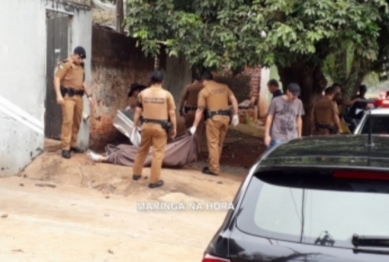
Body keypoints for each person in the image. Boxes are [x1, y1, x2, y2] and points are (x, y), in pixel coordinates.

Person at [131, 71, 177, 189]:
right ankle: (154, 180)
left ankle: (136, 173)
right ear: (162, 81)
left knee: (142, 150)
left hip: (146, 125)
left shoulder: (142, 93)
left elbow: (137, 111)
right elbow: (172, 113)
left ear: (151, 81)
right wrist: (174, 128)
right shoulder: (167, 95)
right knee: (158, 154)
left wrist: (135, 125)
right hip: (160, 127)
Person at [189, 71, 239, 176]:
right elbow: (233, 100)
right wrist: (235, 115)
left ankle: (214, 168)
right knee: (219, 143)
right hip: (226, 118)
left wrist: (194, 126)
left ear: (204, 81)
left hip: (214, 119)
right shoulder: (224, 87)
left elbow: (200, 110)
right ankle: (214, 164)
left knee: (212, 144)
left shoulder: (204, 91)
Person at [54, 46, 94, 159]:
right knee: (68, 121)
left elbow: (83, 82)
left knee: (77, 121)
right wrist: (58, 95)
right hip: (68, 97)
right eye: (79, 58)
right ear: (74, 54)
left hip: (79, 97)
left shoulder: (81, 66)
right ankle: (65, 147)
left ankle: (73, 144)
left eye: (82, 59)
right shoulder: (65, 64)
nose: (80, 60)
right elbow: (57, 79)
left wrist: (89, 96)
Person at [264, 83, 304, 149]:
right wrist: (267, 135)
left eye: (297, 95)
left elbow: (299, 119)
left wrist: (299, 135)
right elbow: (270, 117)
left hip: (293, 136)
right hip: (278, 136)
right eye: (293, 94)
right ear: (288, 91)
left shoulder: (299, 102)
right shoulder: (276, 101)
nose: (295, 97)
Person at [178, 72, 205, 147]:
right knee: (198, 132)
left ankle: (188, 149)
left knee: (188, 131)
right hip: (200, 113)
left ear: (193, 79)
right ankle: (197, 151)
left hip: (189, 111)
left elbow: (183, 99)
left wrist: (180, 111)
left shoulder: (189, 87)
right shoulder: (203, 88)